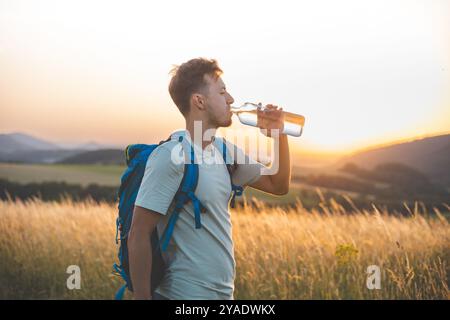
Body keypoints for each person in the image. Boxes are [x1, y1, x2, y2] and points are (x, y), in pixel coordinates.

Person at [127, 58, 291, 300]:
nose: (231, 99)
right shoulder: (172, 156)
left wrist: (279, 135)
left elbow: (278, 185)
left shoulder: (226, 152)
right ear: (199, 101)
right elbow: (138, 233)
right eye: (222, 92)